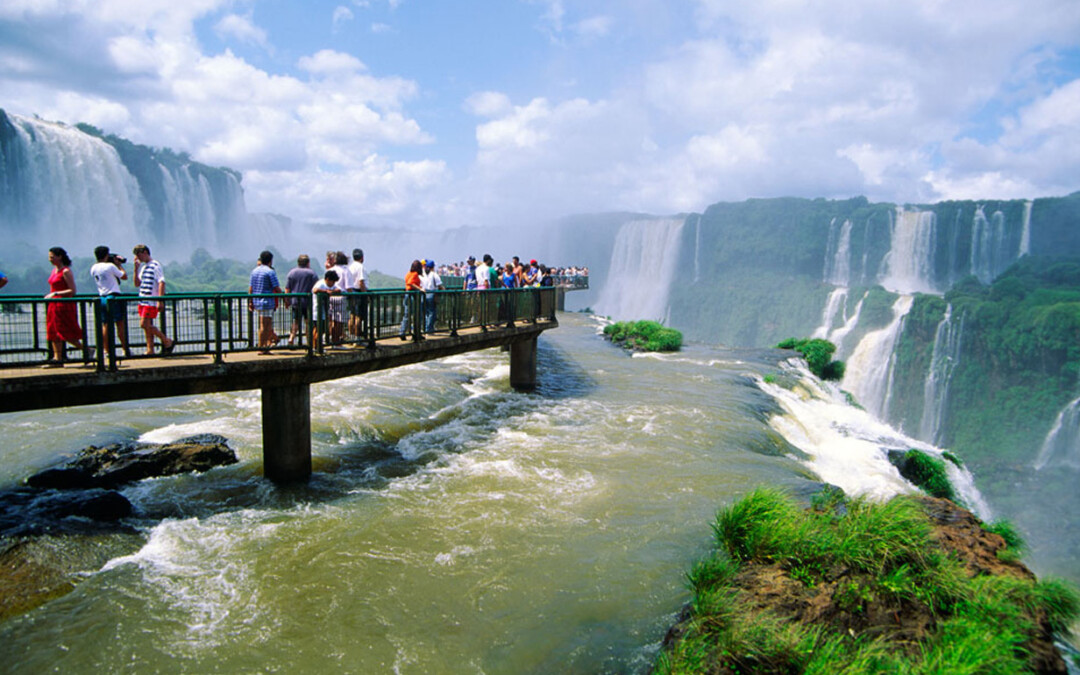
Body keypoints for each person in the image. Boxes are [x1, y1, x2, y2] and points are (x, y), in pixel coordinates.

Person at [44, 247, 84, 367]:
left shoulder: (66, 271)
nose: (50, 259)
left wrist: (56, 293)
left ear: (59, 256)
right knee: (53, 331)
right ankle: (57, 359)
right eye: (49, 257)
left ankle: (86, 349)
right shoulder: (54, 270)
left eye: (52, 257)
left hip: (64, 304)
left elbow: (72, 290)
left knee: (65, 332)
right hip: (53, 305)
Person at [132, 244, 174, 356]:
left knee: (144, 324)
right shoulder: (144, 267)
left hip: (151, 300)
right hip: (142, 300)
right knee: (147, 326)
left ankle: (166, 340)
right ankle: (150, 349)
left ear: (145, 252)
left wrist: (160, 300)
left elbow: (161, 282)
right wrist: (135, 270)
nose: (138, 258)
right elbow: (137, 284)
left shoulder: (155, 265)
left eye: (139, 255)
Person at [90, 245, 131, 358]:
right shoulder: (110, 266)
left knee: (105, 325)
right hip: (113, 297)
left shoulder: (93, 267)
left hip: (102, 297)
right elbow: (124, 277)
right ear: (106, 255)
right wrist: (119, 265)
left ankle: (106, 351)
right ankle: (125, 349)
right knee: (120, 324)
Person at [249, 250, 282, 354]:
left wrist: (250, 301)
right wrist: (285, 297)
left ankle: (264, 347)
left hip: (257, 301)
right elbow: (276, 287)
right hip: (267, 302)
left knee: (264, 325)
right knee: (265, 326)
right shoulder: (270, 272)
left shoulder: (254, 271)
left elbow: (251, 288)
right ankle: (262, 348)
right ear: (270, 261)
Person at [285, 254, 319, 345]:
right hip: (308, 302)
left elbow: (287, 289)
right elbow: (317, 287)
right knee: (308, 322)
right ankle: (309, 342)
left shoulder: (291, 272)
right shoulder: (312, 273)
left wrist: (287, 300)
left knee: (296, 321)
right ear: (308, 263)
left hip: (295, 301)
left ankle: (291, 338)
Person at [311, 269, 340, 346]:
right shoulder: (321, 284)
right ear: (327, 279)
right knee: (318, 329)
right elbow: (315, 290)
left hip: (323, 311)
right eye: (332, 281)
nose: (333, 284)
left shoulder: (330, 285)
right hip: (317, 310)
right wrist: (326, 291)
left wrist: (332, 291)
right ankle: (316, 346)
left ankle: (315, 346)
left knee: (319, 329)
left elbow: (338, 289)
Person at [347, 248, 369, 340]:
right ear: (362, 257)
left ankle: (351, 336)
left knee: (352, 315)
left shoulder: (350, 267)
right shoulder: (360, 267)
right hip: (358, 292)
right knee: (358, 316)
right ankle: (357, 337)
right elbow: (361, 282)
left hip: (351, 291)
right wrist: (365, 294)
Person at [399, 260, 423, 340]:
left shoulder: (409, 273)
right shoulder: (415, 274)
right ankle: (416, 333)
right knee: (416, 314)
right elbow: (410, 283)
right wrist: (420, 289)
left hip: (407, 294)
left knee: (407, 314)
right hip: (412, 295)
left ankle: (402, 332)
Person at [420, 258, 445, 333]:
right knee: (431, 312)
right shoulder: (434, 275)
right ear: (433, 267)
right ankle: (429, 328)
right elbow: (439, 285)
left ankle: (424, 327)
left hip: (423, 294)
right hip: (431, 293)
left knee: (425, 312)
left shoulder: (422, 274)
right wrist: (444, 289)